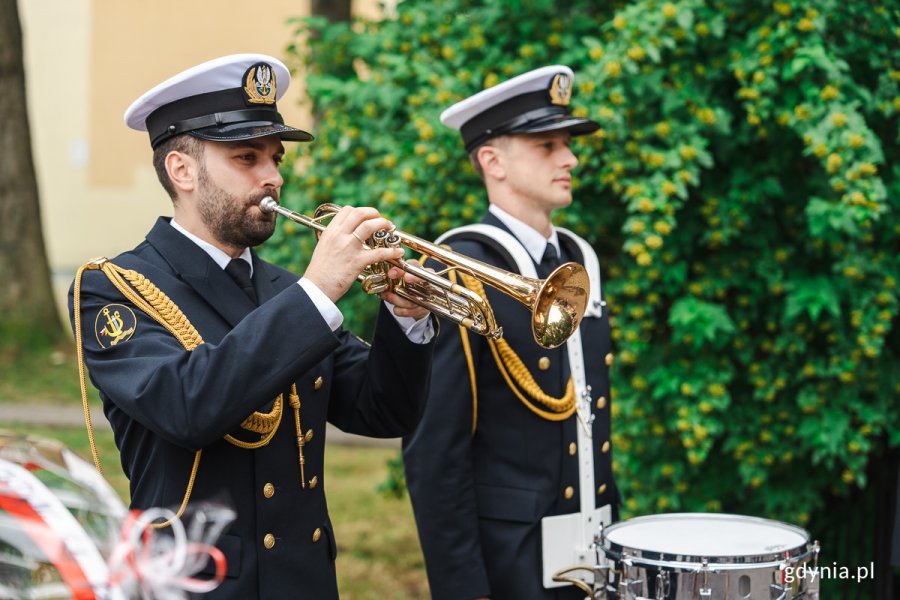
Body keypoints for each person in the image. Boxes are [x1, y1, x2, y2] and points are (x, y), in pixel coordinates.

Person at [68, 53, 436, 599]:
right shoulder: (114, 288)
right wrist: (319, 290)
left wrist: (407, 320)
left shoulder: (288, 290)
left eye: (276, 158)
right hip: (198, 585)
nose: (274, 178)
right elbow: (187, 406)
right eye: (247, 158)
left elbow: (382, 410)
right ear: (182, 170)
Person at [402, 65, 618, 600]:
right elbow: (436, 457)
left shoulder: (576, 259)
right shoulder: (462, 271)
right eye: (547, 145)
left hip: (591, 545)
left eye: (566, 144)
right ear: (492, 160)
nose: (569, 158)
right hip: (512, 566)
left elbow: (588, 422)